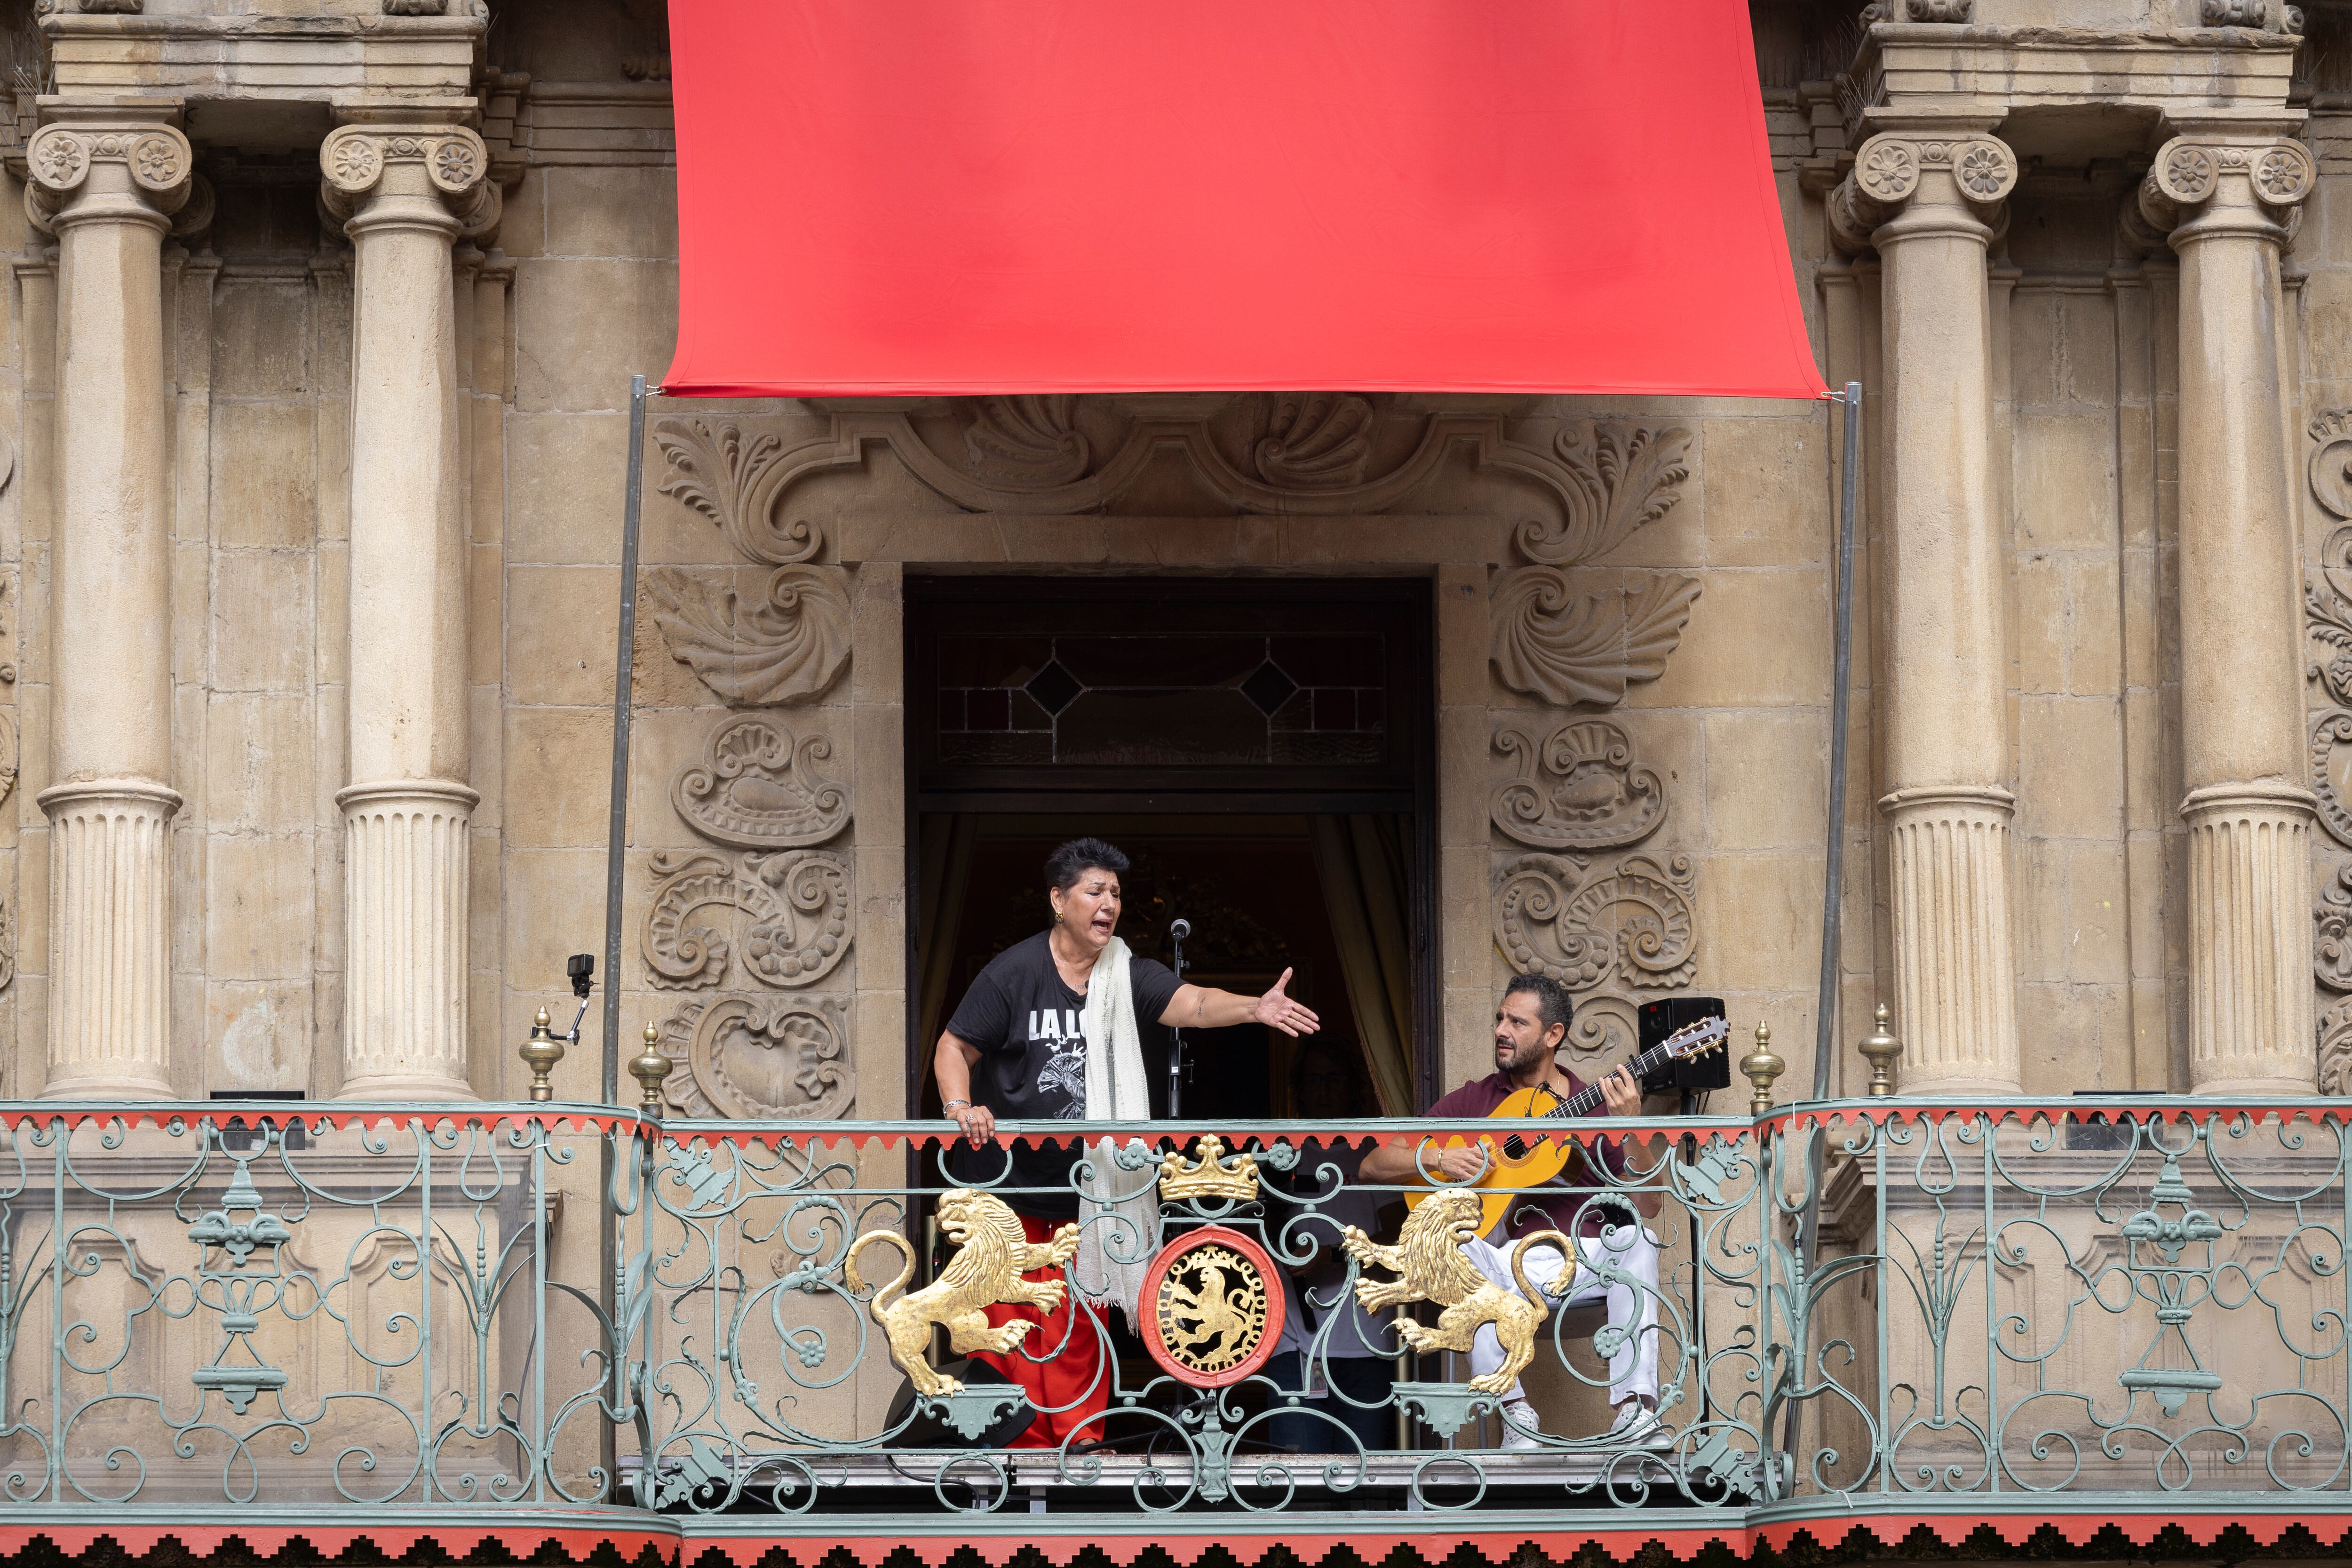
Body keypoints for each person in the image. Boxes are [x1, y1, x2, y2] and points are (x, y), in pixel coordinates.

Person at [933, 836, 1321, 1449]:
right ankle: (1023, 1443)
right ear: (1059, 900)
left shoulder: (1128, 972)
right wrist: (960, 1105)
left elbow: (1191, 1004)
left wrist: (1255, 1007)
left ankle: (1078, 1440)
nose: (1108, 902)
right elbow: (954, 1046)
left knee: (1080, 1316)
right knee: (1012, 1317)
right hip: (1004, 1185)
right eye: (1095, 890)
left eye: (1115, 892)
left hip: (1089, 1190)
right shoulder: (1013, 972)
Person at [1359, 972, 1664, 1450]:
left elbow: (1649, 1203)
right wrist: (1438, 1158)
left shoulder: (1592, 1105)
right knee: (1450, 1250)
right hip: (1500, 1267)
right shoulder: (1473, 1100)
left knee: (1639, 1240)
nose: (1501, 1029)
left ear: (1552, 1036)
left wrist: (1630, 1125)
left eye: (1517, 1022)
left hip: (1580, 1261)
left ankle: (1635, 1409)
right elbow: (1373, 1163)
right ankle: (1515, 1414)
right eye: (1500, 1018)